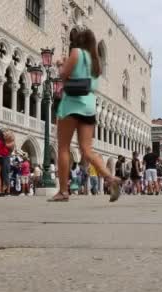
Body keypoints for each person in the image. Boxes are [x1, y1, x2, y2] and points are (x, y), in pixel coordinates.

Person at [52, 29, 121, 202]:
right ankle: (110, 178)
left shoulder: (76, 53)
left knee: (63, 148)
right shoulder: (95, 62)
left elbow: (63, 75)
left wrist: (60, 64)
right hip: (89, 107)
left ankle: (63, 191)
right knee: (87, 150)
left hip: (71, 105)